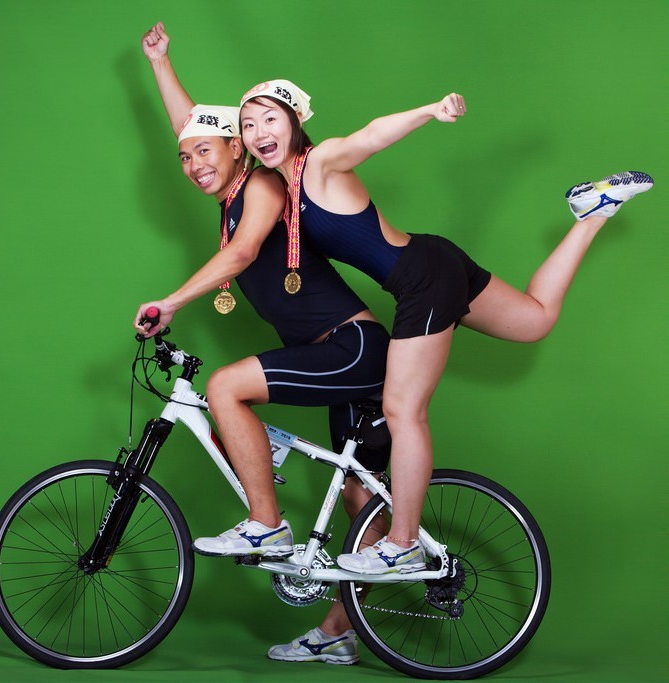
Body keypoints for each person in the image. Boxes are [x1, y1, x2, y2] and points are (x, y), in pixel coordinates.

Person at [235, 79, 653, 575]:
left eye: (270, 118)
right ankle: (591, 215)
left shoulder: (319, 163)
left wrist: (430, 110)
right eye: (247, 124)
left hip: (423, 281)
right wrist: (160, 63)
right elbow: (193, 130)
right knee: (535, 319)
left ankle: (403, 541)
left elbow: (368, 136)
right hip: (434, 262)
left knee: (402, 410)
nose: (259, 131)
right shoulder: (275, 188)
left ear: (295, 122)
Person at [135, 24, 390, 666]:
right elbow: (190, 128)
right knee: (362, 497)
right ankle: (339, 630)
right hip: (338, 353)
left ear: (237, 149)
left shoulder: (263, 187)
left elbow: (246, 253)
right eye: (185, 158)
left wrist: (171, 301)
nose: (194, 165)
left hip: (354, 346)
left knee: (225, 385)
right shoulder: (225, 188)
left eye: (207, 153)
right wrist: (163, 64)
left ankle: (266, 524)